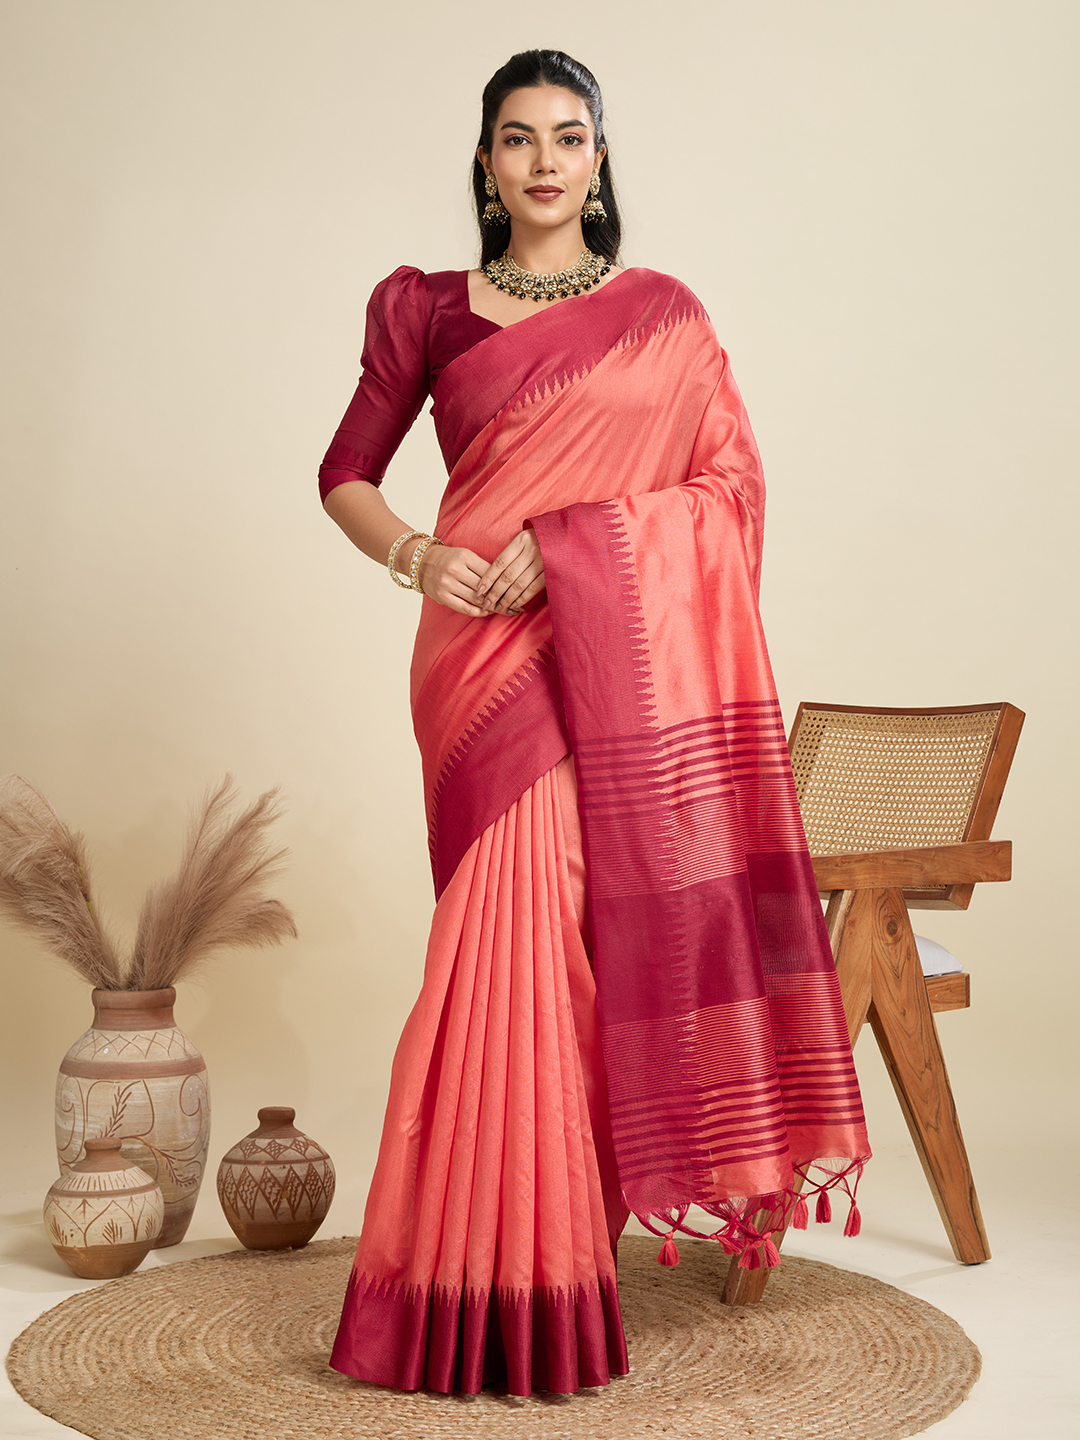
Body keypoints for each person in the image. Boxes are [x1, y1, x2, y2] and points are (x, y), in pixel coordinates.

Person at [319, 49, 870, 1399]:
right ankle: (465, 1280)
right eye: (519, 139)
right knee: (495, 942)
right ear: (487, 162)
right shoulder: (427, 309)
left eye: (570, 137)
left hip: (602, 663)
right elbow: (345, 473)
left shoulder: (666, 318)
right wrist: (420, 559)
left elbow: (729, 491)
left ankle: (546, 1265)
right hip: (479, 664)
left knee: (570, 951)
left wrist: (571, 546)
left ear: (600, 159)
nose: (546, 161)